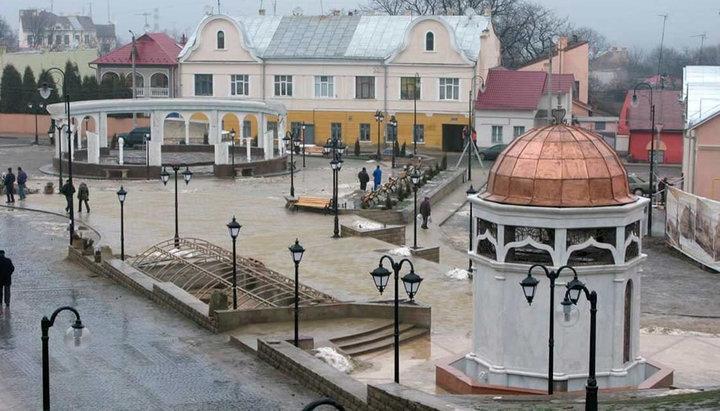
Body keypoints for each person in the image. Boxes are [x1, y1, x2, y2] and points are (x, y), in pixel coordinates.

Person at [0, 250, 14, 314]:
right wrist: (9, 273)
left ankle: (0, 302)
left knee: (0, 291)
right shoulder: (8, 260)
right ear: (4, 254)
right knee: (7, 291)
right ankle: (7, 302)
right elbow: (12, 268)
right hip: (7, 278)